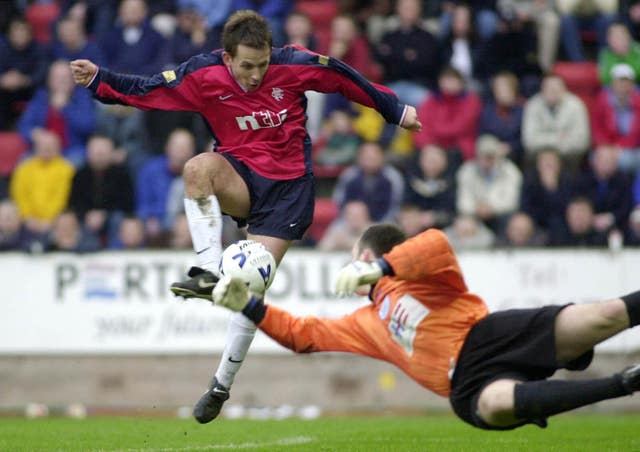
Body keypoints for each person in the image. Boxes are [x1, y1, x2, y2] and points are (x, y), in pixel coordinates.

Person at [69, 9, 421, 423]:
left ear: (273, 53)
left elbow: (342, 76)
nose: (256, 75)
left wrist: (393, 110)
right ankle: (205, 268)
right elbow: (146, 91)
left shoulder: (293, 64)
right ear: (228, 57)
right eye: (247, 66)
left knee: (250, 291)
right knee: (197, 168)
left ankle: (220, 385)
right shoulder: (202, 75)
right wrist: (98, 79)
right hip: (239, 174)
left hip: (288, 192)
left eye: (263, 64)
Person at [211, 223, 640, 431]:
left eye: (356, 256)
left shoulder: (417, 273)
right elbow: (303, 335)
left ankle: (573, 352)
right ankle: (624, 383)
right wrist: (248, 305)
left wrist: (379, 268)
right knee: (494, 405)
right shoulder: (364, 323)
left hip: (488, 335)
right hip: (465, 385)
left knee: (605, 316)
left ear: (369, 257)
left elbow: (435, 243)